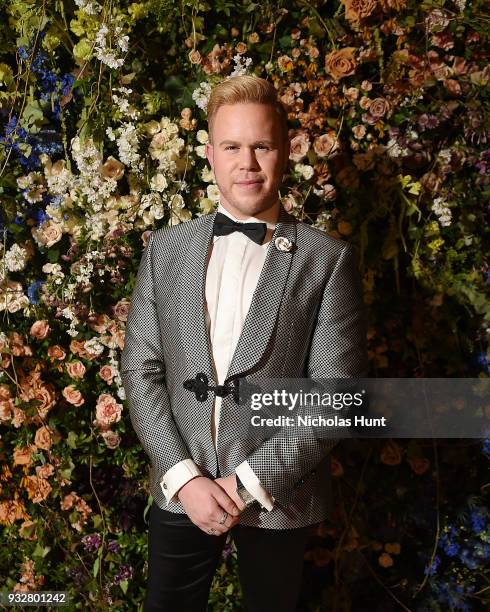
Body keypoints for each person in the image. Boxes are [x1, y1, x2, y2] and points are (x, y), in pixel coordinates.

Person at [121, 75, 367, 612]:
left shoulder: (326, 259)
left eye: (262, 146)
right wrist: (183, 478)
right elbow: (141, 370)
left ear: (286, 152)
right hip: (180, 484)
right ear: (210, 153)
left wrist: (249, 482)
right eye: (232, 146)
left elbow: (334, 395)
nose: (247, 163)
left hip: (280, 494)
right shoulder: (165, 250)